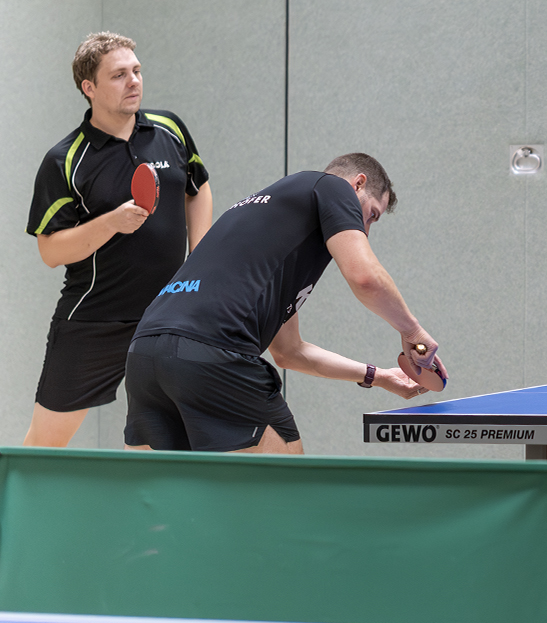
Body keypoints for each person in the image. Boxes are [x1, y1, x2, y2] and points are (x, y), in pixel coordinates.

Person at [123, 153, 444, 453]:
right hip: (213, 351)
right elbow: (365, 277)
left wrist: (377, 376)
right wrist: (412, 331)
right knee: (285, 484)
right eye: (371, 215)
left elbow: (290, 352)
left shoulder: (270, 226)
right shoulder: (333, 187)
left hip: (144, 355)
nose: (366, 230)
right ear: (357, 184)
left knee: (158, 492)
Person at [24, 32, 213, 447]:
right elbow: (50, 251)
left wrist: (198, 258)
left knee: (156, 440)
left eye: (137, 71)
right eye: (118, 75)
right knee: (45, 445)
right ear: (88, 87)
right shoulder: (65, 160)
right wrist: (111, 222)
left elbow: (197, 187)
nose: (134, 82)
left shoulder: (169, 129)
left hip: (165, 315)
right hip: (95, 319)